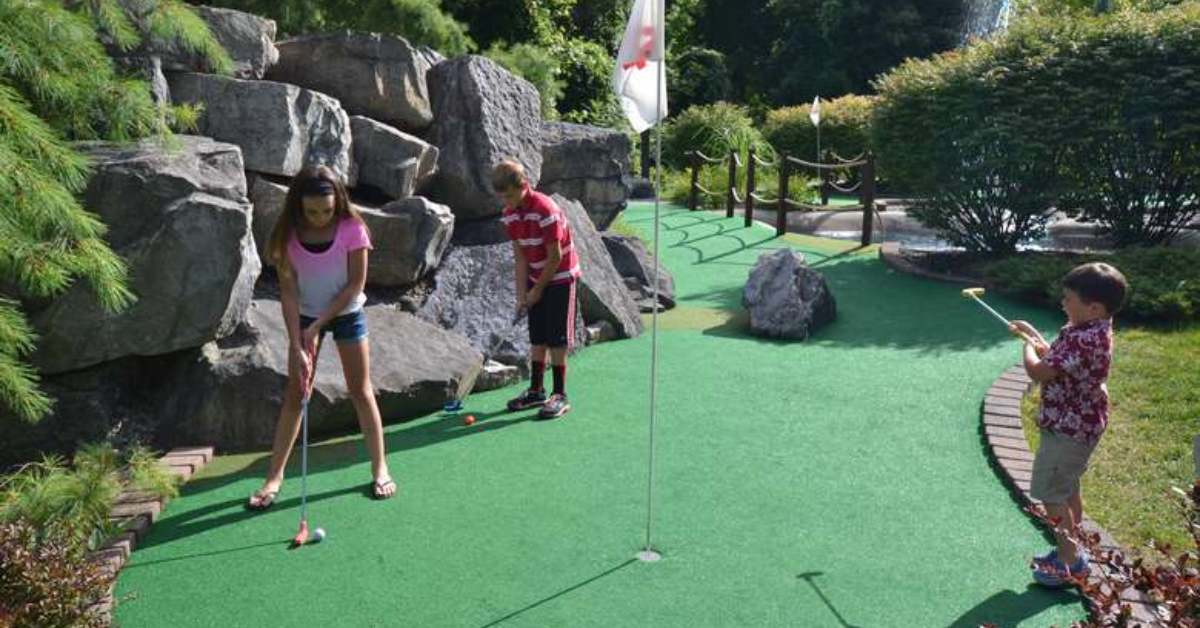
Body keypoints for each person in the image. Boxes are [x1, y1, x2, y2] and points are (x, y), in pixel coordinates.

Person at [247, 165, 396, 509]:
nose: (319, 217)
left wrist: (319, 325)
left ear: (338, 201)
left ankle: (380, 469)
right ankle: (274, 477)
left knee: (361, 390)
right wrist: (297, 341)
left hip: (346, 314)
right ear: (298, 205)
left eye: (326, 210)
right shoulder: (287, 236)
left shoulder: (352, 229)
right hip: (304, 318)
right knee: (297, 393)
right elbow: (288, 294)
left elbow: (355, 285)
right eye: (311, 211)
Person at [1009, 262, 1128, 587]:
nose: (1063, 303)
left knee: (1050, 492)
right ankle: (1073, 546)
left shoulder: (1085, 339)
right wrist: (1033, 335)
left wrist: (1026, 350)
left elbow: (1040, 372)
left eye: (1068, 299)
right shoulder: (1090, 328)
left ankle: (1070, 561)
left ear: (1094, 307)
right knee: (1068, 486)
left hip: (1069, 429)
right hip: (1079, 423)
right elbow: (1061, 359)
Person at [493, 160, 582, 419]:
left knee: (557, 337)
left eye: (510, 195)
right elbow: (520, 258)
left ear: (524, 186)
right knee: (537, 335)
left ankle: (560, 394)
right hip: (535, 274)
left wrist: (538, 289)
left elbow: (555, 257)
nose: (506, 201)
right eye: (502, 197)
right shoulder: (510, 214)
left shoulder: (546, 210)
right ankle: (536, 390)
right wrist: (523, 295)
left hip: (561, 276)